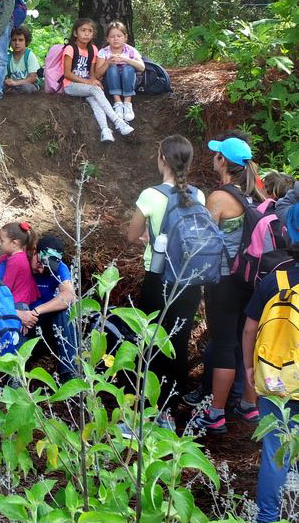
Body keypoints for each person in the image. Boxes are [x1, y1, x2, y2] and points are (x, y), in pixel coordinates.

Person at [126, 135, 206, 430]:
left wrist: (150, 238)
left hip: (159, 279)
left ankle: (148, 414)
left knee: (151, 344)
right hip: (189, 281)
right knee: (178, 343)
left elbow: (132, 236)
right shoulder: (198, 195)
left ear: (161, 157)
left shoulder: (151, 195)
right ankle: (171, 412)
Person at [192, 136, 265, 434]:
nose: (214, 158)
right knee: (248, 342)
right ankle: (249, 405)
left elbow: (203, 244)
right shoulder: (257, 194)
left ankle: (216, 413)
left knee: (223, 344)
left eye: (217, 155)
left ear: (223, 162)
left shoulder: (219, 198)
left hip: (224, 282)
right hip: (254, 282)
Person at [241, 251, 299, 523]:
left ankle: (267, 518)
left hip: (274, 377)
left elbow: (249, 329)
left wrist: (250, 368)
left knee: (276, 454)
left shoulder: (275, 279)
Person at [62, 18, 133, 143]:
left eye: (90, 31)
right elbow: (67, 74)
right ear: (75, 33)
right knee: (94, 89)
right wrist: (89, 83)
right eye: (83, 30)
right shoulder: (70, 49)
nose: (86, 33)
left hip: (86, 86)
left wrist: (94, 81)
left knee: (95, 99)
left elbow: (92, 74)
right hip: (71, 85)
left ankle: (105, 130)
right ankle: (118, 122)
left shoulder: (93, 49)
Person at [29, 235, 77, 380]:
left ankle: (69, 374)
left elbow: (69, 295)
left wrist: (37, 310)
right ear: (34, 251)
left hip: (45, 324)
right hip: (22, 321)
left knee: (65, 311)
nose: (42, 270)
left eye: (48, 268)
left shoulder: (60, 268)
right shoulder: (19, 262)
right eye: (39, 264)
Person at [98, 20, 145, 122]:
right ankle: (118, 102)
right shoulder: (103, 52)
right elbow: (97, 74)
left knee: (128, 68)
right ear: (107, 38)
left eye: (119, 36)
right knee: (112, 67)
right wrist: (107, 62)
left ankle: (127, 103)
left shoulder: (131, 50)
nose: (116, 39)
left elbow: (142, 67)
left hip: (129, 81)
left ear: (125, 37)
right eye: (112, 36)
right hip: (110, 83)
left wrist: (126, 60)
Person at [0, 221, 40, 307]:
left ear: (14, 243)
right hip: (22, 301)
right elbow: (2, 258)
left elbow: (6, 286)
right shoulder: (21, 256)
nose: (0, 244)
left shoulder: (14, 261)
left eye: (2, 241)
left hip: (16, 303)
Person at [4, 26, 41, 94]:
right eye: (14, 40)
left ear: (26, 41)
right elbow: (4, 77)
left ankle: (12, 92)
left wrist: (16, 83)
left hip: (29, 84)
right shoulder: (8, 58)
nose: (17, 43)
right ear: (10, 41)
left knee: (26, 88)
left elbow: (33, 77)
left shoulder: (29, 55)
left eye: (20, 40)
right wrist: (7, 81)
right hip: (13, 86)